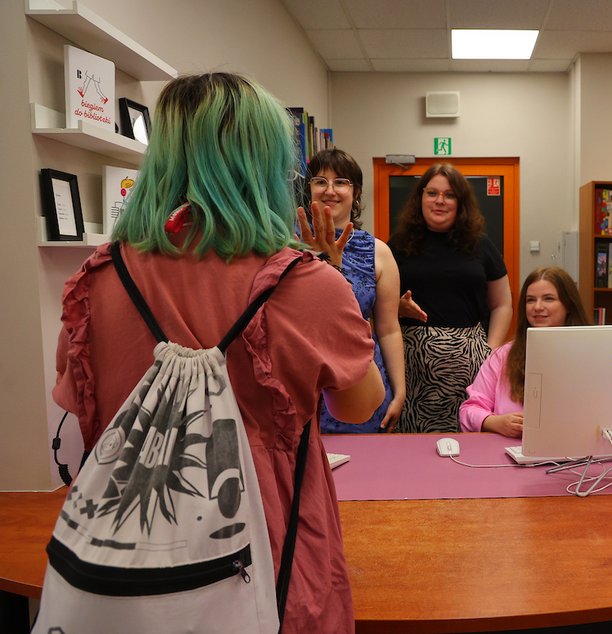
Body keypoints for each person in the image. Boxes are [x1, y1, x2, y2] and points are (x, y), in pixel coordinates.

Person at [51, 73, 383, 633]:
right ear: (266, 166)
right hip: (268, 552)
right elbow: (358, 405)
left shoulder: (99, 279)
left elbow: (79, 408)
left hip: (129, 555)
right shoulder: (306, 284)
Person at [388, 163, 513, 433]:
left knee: (469, 444)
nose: (440, 201)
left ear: (461, 202)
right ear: (420, 197)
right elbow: (379, 307)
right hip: (413, 367)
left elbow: (502, 304)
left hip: (471, 366)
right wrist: (397, 308)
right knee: (414, 447)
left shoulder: (482, 245)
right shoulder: (396, 246)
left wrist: (490, 352)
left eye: (449, 195)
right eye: (432, 193)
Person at [306, 148, 405, 433]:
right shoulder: (288, 246)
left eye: (341, 182)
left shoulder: (378, 252)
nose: (330, 190)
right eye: (320, 182)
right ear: (309, 189)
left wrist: (399, 391)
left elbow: (388, 329)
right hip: (303, 379)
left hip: (360, 378)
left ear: (356, 192)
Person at [459, 266, 591, 437]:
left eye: (548, 299)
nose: (537, 307)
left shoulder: (591, 355)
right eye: (530, 300)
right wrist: (495, 423)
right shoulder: (503, 356)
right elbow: (469, 409)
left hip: (576, 450)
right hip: (507, 453)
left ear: (569, 306)